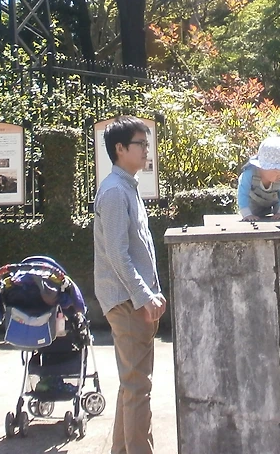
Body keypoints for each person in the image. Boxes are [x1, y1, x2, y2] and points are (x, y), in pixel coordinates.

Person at [93, 117, 166, 454]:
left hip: (134, 300)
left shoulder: (127, 188)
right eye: (141, 144)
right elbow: (118, 255)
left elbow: (139, 250)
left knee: (131, 385)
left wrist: (152, 292)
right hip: (126, 302)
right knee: (138, 388)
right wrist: (144, 296)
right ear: (120, 149)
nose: (147, 150)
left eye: (147, 144)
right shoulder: (113, 192)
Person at [237, 135, 280, 221]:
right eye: (276, 172)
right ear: (262, 167)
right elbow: (242, 194)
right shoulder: (249, 175)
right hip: (256, 205)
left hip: (277, 202)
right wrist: (247, 214)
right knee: (253, 212)